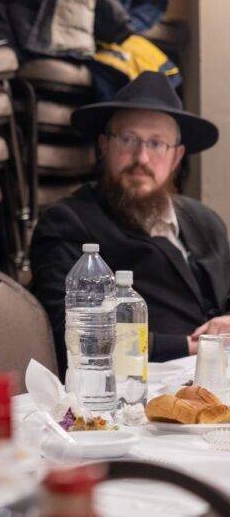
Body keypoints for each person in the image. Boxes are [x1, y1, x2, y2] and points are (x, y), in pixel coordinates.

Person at [31, 71, 229, 375]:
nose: (142, 158)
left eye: (157, 144)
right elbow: (75, 334)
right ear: (104, 146)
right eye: (128, 140)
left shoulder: (206, 222)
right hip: (136, 387)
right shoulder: (67, 223)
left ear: (177, 157)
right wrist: (187, 345)